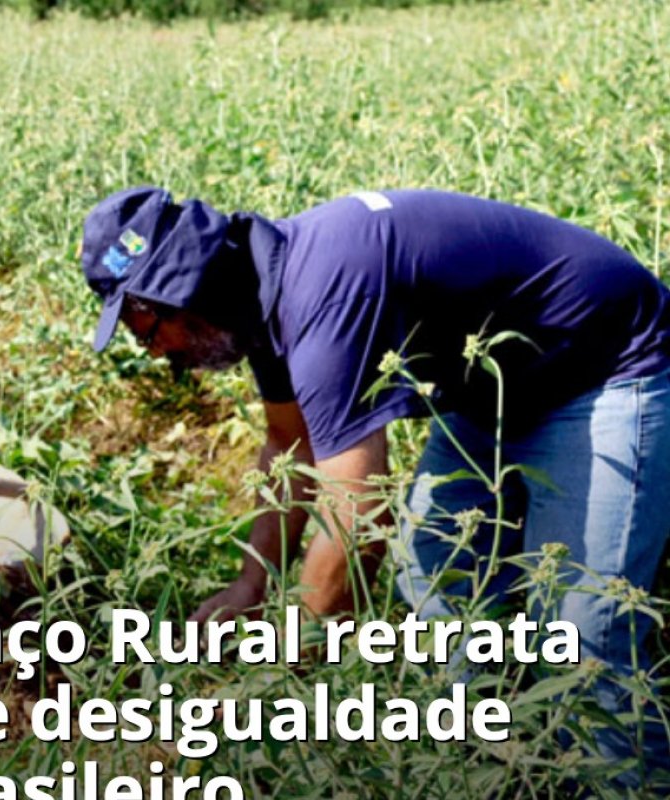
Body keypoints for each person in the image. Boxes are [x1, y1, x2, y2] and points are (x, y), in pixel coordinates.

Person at [80, 186, 670, 780]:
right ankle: (488, 767)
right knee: (434, 576)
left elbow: (358, 516)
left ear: (181, 291)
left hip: (609, 367)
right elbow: (289, 443)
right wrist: (251, 584)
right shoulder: (256, 297)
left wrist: (274, 678)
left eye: (143, 328)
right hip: (488, 393)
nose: (150, 351)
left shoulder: (325, 293)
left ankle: (626, 784)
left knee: (579, 637)